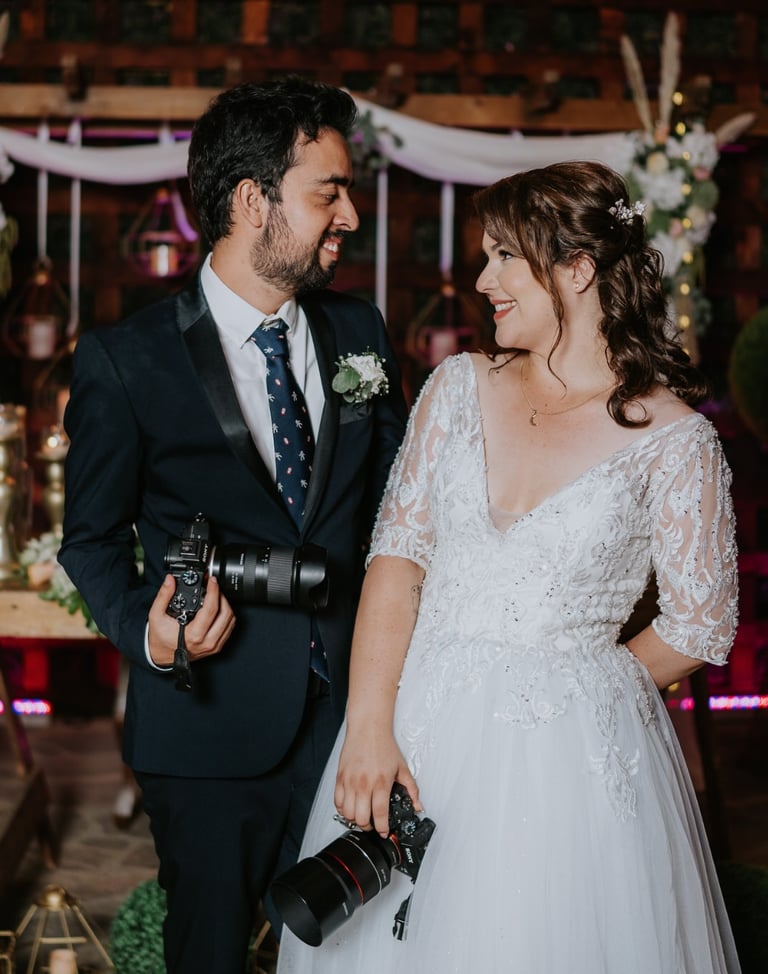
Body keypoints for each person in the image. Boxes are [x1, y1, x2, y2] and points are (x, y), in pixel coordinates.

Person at [276, 161, 741, 973]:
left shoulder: (675, 441)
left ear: (577, 269)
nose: (483, 278)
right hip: (418, 728)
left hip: (568, 772)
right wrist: (370, 727)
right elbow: (396, 559)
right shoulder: (457, 387)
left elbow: (701, 623)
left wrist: (577, 695)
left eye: (503, 257)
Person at [58, 77, 407, 974]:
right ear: (254, 201)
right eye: (327, 191)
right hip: (208, 731)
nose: (350, 217)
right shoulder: (122, 360)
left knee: (357, 951)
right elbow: (90, 542)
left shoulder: (360, 332)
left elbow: (403, 503)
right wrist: (149, 630)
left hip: (358, 726)